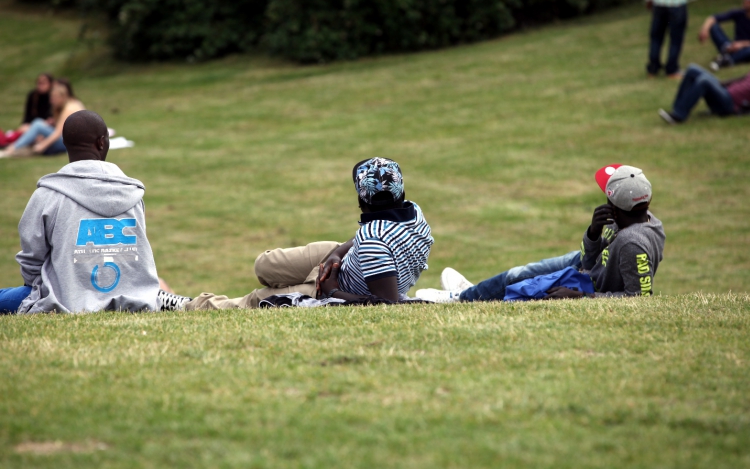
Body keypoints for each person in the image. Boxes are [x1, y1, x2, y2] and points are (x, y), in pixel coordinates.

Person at [179, 157, 434, 311]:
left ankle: (187, 305)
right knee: (265, 265)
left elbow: (386, 304)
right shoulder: (414, 211)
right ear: (400, 192)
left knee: (255, 300)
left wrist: (332, 291)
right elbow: (375, 237)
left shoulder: (372, 239)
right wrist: (337, 252)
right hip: (341, 258)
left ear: (361, 199)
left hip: (328, 290)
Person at [416, 165, 666, 303]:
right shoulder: (629, 217)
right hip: (586, 268)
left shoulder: (633, 242)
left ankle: (461, 299)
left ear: (615, 204)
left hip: (585, 283)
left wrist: (582, 297)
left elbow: (638, 298)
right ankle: (470, 294)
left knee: (519, 282)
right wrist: (593, 234)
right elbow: (590, 260)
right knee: (520, 273)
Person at [0, 110, 164, 314]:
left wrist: (50, 291)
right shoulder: (133, 195)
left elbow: (31, 259)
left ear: (65, 143)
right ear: (102, 142)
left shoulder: (47, 196)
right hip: (136, 297)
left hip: (63, 300)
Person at [645, 0, 712, 78]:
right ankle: (672, 70)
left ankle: (652, 69)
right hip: (677, 2)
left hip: (659, 2)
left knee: (656, 37)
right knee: (676, 38)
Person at [0, 78, 84, 158]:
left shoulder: (69, 108)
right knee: (39, 134)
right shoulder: (71, 103)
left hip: (71, 143)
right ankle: (16, 148)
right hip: (72, 142)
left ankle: (12, 149)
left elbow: (58, 133)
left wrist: (43, 145)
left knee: (38, 124)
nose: (51, 101)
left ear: (61, 97)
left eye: (53, 98)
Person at [658, 63, 750, 123]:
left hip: (729, 103)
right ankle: (677, 108)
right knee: (692, 69)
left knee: (704, 81)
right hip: (725, 91)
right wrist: (722, 83)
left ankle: (678, 116)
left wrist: (743, 110)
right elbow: (742, 79)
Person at [699, 0, 750, 70]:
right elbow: (713, 18)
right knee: (713, 26)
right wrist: (704, 29)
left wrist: (741, 44)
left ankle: (726, 59)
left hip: (746, 48)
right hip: (731, 47)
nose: (745, 0)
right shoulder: (739, 13)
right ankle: (726, 53)